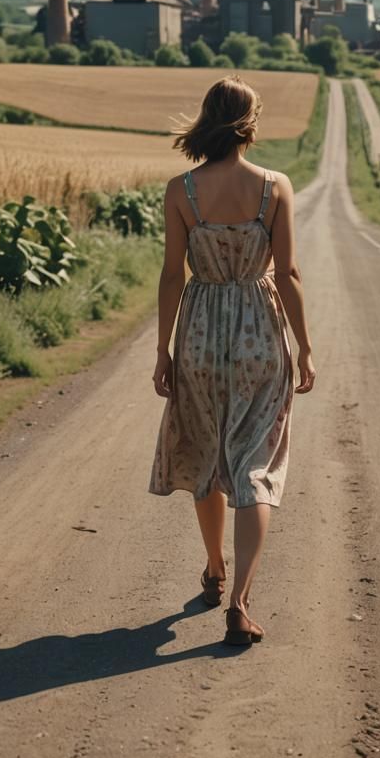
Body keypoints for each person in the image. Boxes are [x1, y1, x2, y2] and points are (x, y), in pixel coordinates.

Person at [149, 74, 316, 647]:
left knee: (205, 452)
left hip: (199, 334)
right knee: (254, 465)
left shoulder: (181, 190)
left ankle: (214, 568)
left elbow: (172, 275)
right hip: (259, 335)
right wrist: (305, 345)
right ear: (250, 123)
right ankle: (240, 602)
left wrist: (163, 350)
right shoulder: (275, 187)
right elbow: (288, 274)